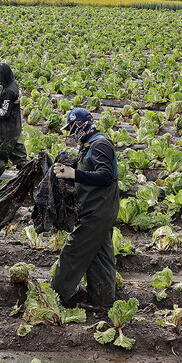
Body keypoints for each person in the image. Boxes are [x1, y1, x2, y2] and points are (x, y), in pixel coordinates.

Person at [50, 108, 120, 307]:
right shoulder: (89, 145)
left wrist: (74, 174)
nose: (71, 133)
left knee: (72, 251)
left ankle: (54, 298)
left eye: (72, 128)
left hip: (98, 211)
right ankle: (103, 300)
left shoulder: (100, 145)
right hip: (97, 209)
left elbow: (105, 177)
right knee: (101, 254)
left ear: (81, 125)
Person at [0, 62, 26, 184]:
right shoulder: (9, 85)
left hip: (7, 130)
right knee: (19, 156)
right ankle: (31, 177)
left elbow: (4, 112)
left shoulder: (9, 90)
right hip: (14, 128)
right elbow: (3, 100)